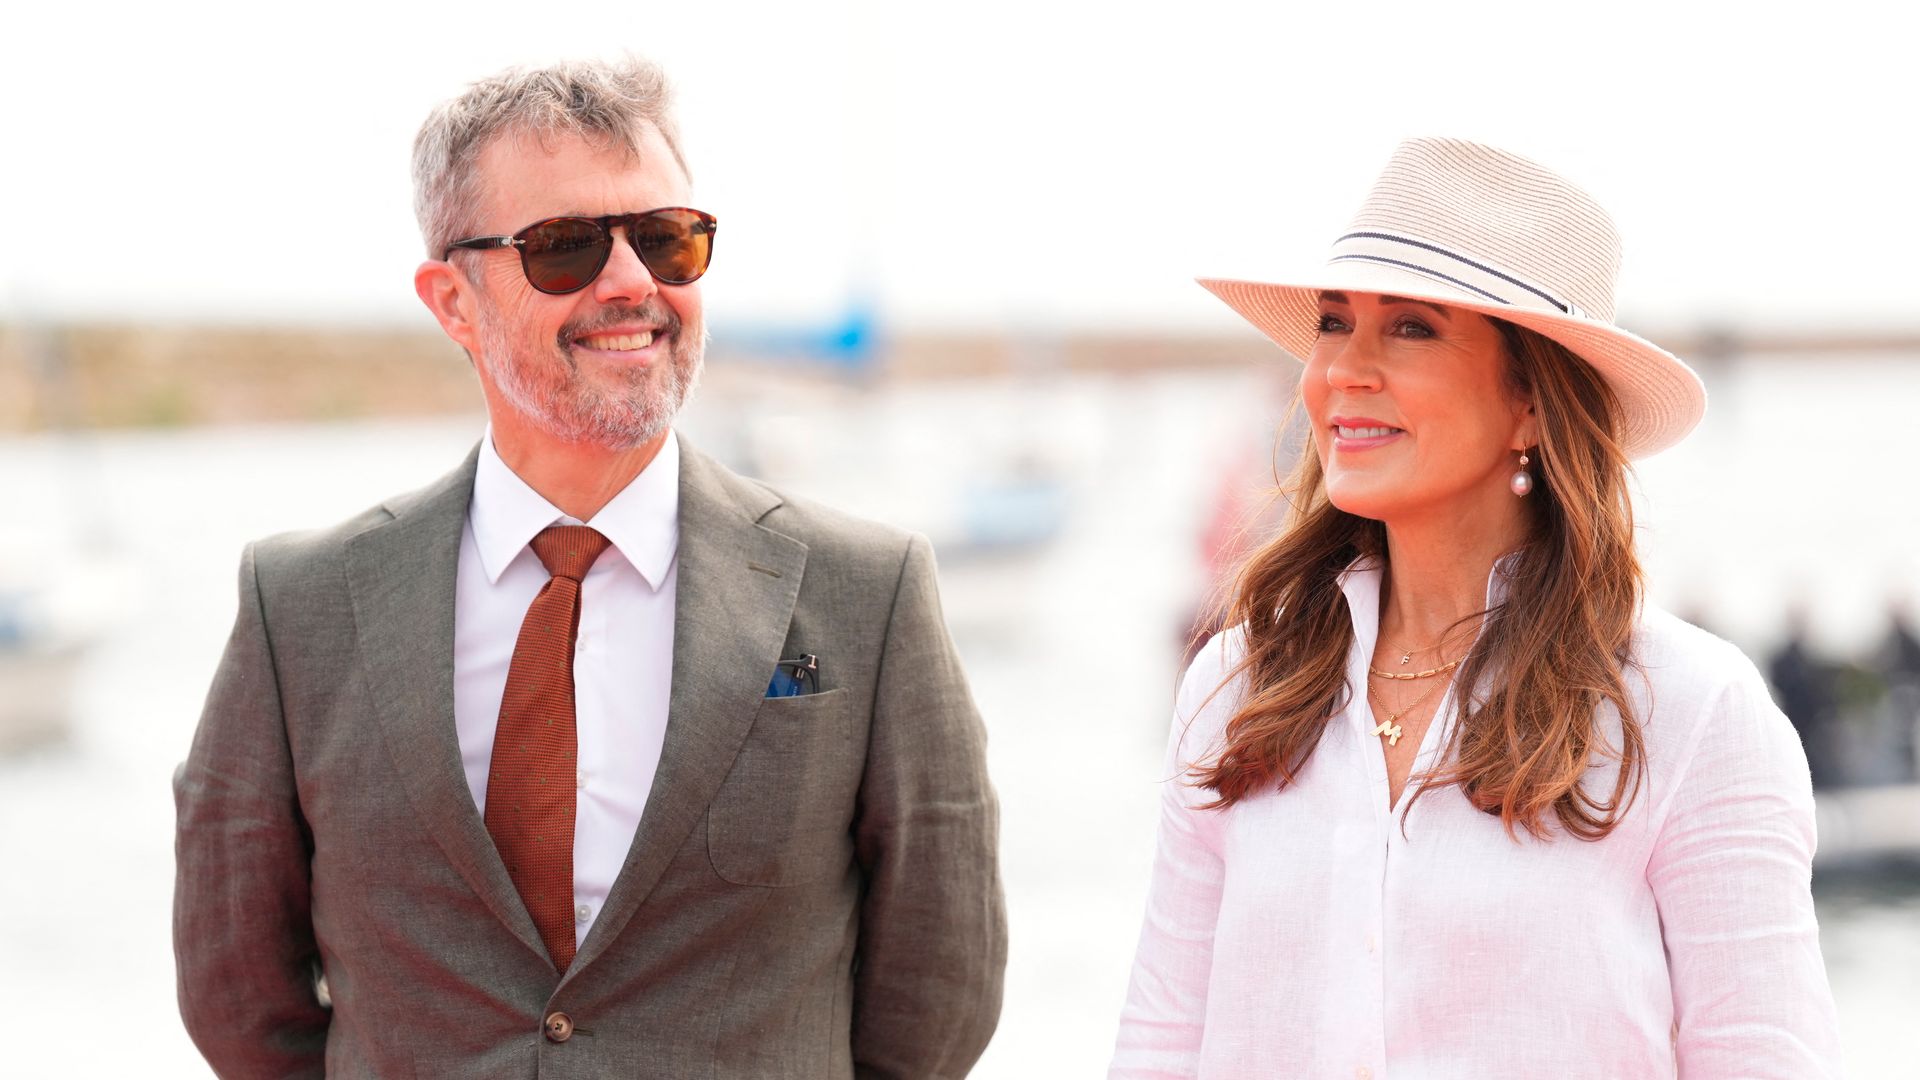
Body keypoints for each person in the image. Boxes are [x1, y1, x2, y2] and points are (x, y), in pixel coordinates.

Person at [173, 57, 1005, 1078]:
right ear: (454, 301)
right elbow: (237, 995)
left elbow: (940, 992)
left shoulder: (866, 598)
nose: (631, 283)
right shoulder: (299, 609)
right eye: (565, 247)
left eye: (666, 239)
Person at [1110, 138, 1842, 1077]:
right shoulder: (1233, 685)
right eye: (1334, 323)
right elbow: (1159, 1046)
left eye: (1410, 327)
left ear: (1533, 401)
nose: (1343, 370)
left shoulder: (1694, 711)